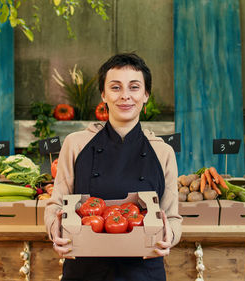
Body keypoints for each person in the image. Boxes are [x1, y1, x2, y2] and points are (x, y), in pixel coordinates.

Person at [44, 53, 182, 281]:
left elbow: (172, 217)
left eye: (134, 87)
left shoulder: (163, 151)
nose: (125, 96)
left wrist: (170, 235)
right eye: (115, 87)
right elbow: (56, 203)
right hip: (85, 271)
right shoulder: (76, 144)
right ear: (103, 94)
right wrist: (54, 230)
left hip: (144, 272)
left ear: (146, 95)